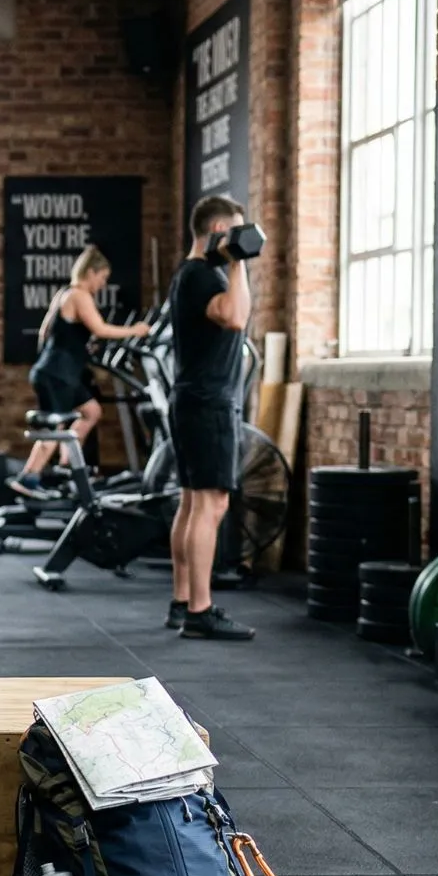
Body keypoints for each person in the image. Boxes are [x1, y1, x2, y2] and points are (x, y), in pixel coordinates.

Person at [164, 195, 255, 640]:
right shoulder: (202, 274)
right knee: (211, 504)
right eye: (236, 230)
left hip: (193, 400)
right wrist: (238, 262)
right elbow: (236, 316)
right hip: (208, 403)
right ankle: (200, 609)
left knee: (191, 501)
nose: (242, 237)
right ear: (219, 229)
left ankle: (182, 601)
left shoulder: (191, 274)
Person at [9, 245, 149, 499]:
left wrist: (78, 346)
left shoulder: (65, 294)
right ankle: (28, 478)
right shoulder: (79, 295)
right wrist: (136, 331)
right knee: (56, 428)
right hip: (58, 374)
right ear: (91, 273)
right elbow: (101, 329)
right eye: (102, 278)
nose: (103, 284)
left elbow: (46, 332)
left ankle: (66, 468)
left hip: (59, 372)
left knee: (91, 411)